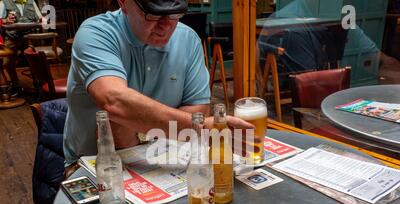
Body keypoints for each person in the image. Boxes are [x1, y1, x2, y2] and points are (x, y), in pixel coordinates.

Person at [63, 0, 257, 176]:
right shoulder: (96, 33)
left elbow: (197, 109)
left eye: (175, 14)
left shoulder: (187, 40)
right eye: (152, 14)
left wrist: (135, 128)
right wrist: (201, 128)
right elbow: (114, 101)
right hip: (91, 165)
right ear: (123, 2)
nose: (166, 26)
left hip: (164, 160)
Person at [0, 0, 44, 94]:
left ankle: (38, 84)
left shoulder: (31, 1)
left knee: (35, 60)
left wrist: (43, 19)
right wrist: (6, 20)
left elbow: (39, 17)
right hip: (12, 37)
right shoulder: (4, 2)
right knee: (7, 62)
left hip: (29, 36)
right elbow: (0, 20)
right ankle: (16, 85)